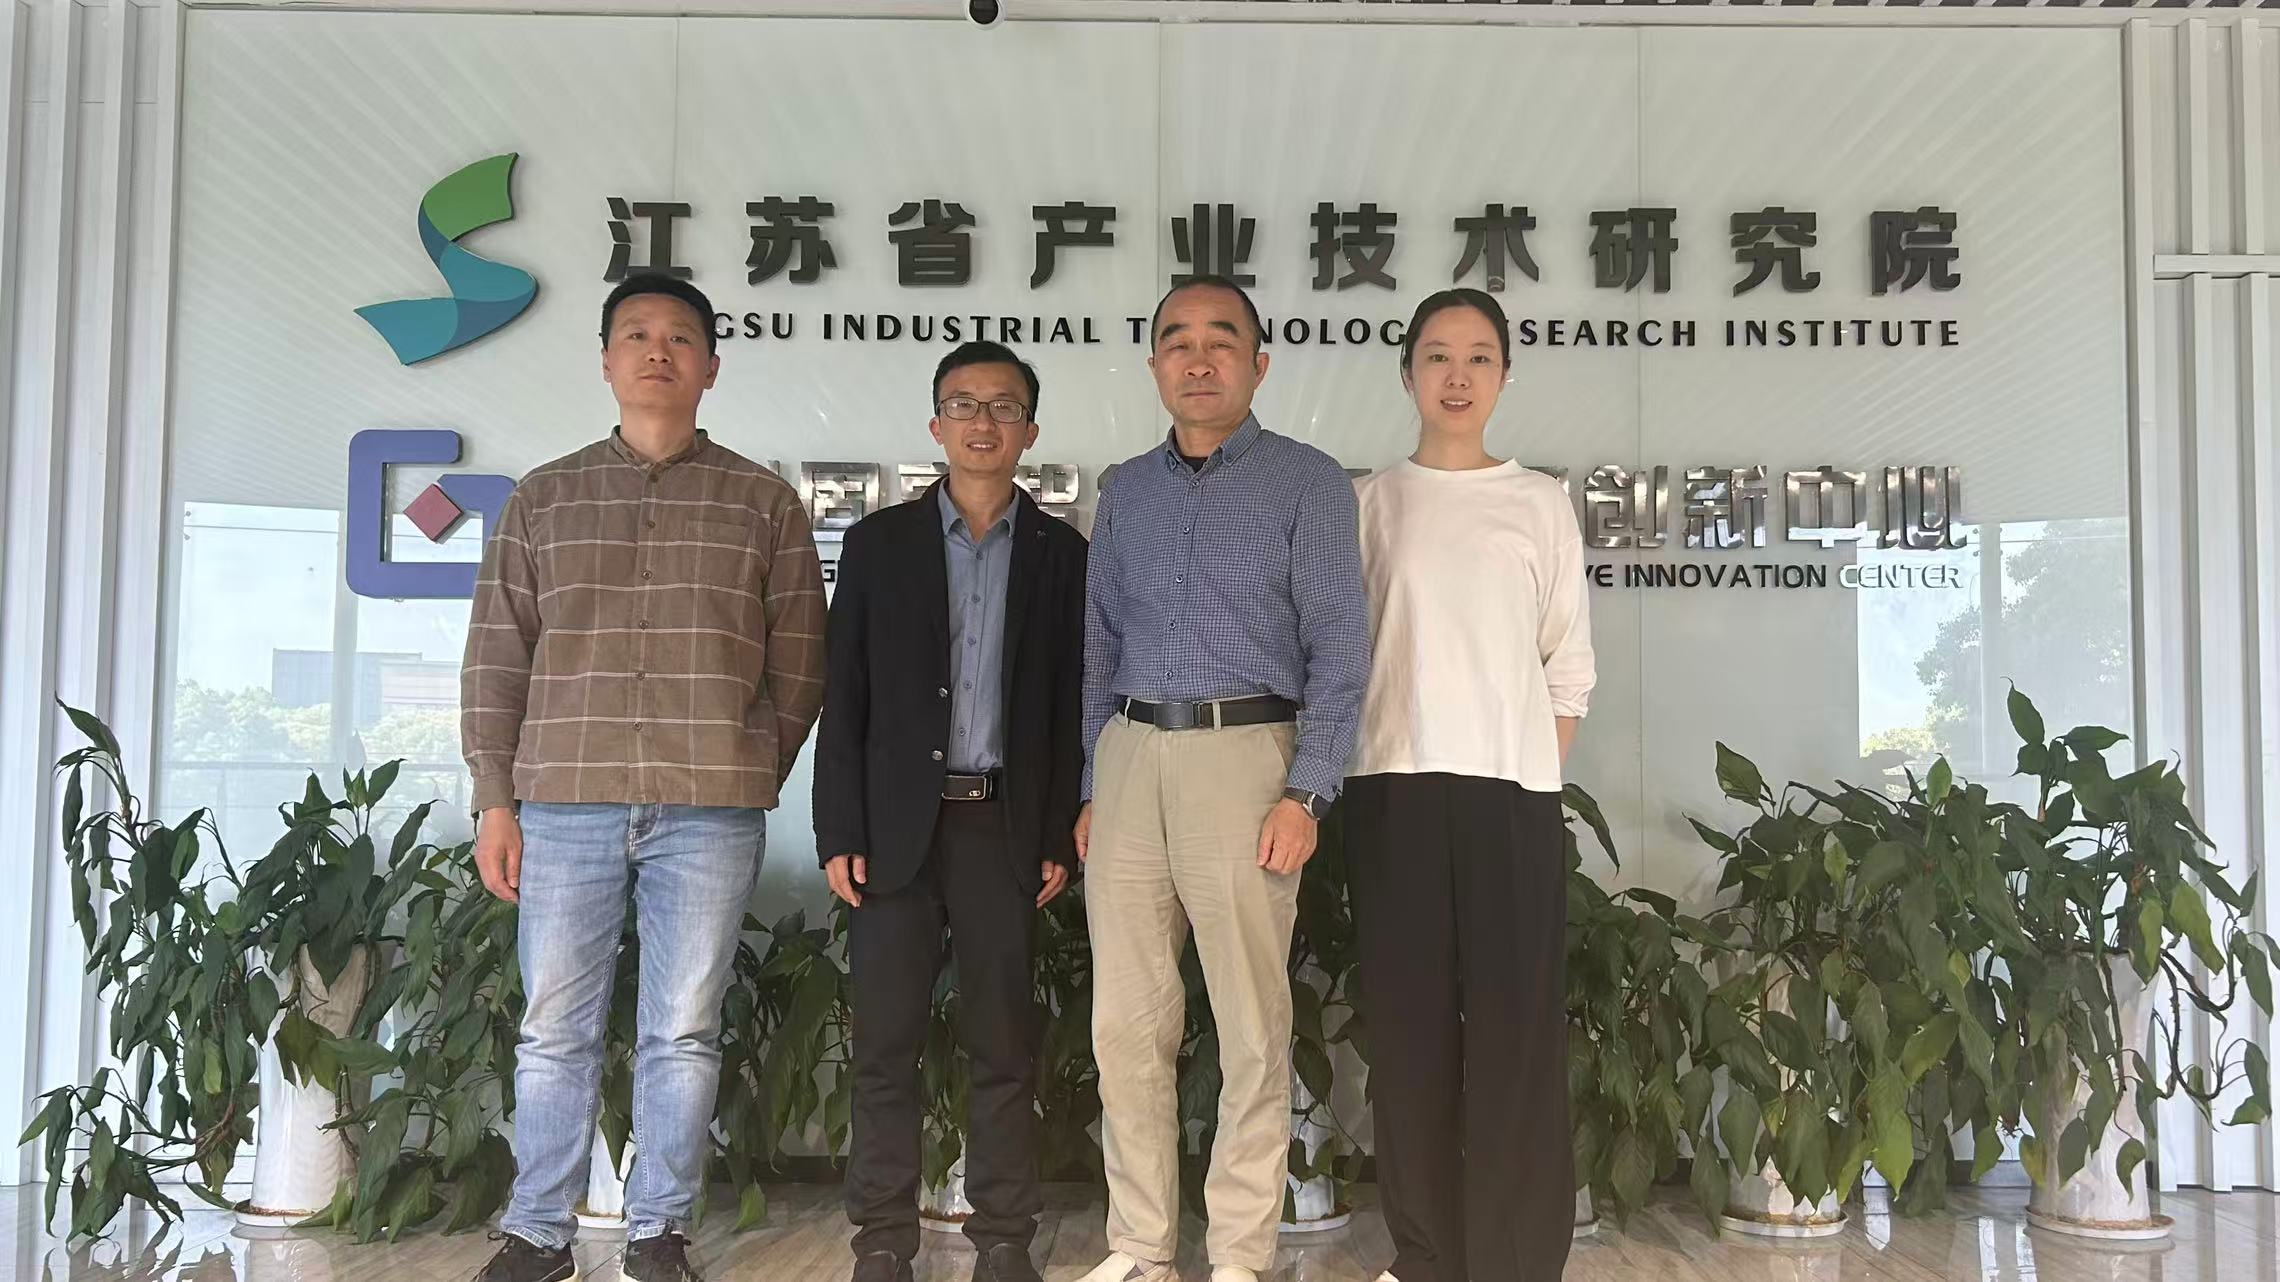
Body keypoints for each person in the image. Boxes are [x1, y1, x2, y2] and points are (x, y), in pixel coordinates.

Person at [460, 273, 828, 1282]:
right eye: (636, 335)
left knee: (684, 1030)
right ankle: (538, 1233)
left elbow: (801, 662)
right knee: (553, 1031)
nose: (657, 351)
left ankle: (658, 1230)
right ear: (606, 360)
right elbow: (497, 657)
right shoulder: (544, 497)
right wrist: (496, 797)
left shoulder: (762, 503)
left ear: (711, 366)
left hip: (710, 810)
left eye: (679, 337)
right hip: (562, 803)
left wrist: (748, 761)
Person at [1076, 276, 1370, 1282]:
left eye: (1220, 340)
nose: (1197, 360)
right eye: (1177, 341)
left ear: (1259, 362)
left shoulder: (1308, 483)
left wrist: (1309, 790)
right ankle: (1139, 1247)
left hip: (1248, 761)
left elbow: (1339, 647)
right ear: (1154, 362)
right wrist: (1090, 784)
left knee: (1250, 1027)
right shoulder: (1127, 489)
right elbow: (1098, 641)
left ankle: (1239, 1252)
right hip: (1129, 758)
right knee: (1125, 1027)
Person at [812, 340, 1088, 1282]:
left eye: (1004, 407)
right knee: (884, 1047)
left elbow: (1069, 705)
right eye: (964, 404)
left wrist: (1056, 833)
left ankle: (1003, 1240)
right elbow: (844, 695)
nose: (983, 422)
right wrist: (839, 830)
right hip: (894, 833)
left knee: (1003, 1047)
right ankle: (883, 1241)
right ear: (936, 425)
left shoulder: (1062, 555)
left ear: (1029, 432)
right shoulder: (877, 545)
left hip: (1002, 829)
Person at [1346, 289, 1594, 1282]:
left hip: (1510, 797)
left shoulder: (1539, 502)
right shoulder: (1370, 502)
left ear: (1503, 376)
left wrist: (1526, 767)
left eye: (1480, 356)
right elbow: (1343, 657)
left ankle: (1515, 1259)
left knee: (1514, 1035)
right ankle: (1426, 1256)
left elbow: (1567, 668)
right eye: (1439, 355)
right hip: (1392, 791)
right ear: (1407, 371)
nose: (1458, 375)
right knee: (1407, 1038)